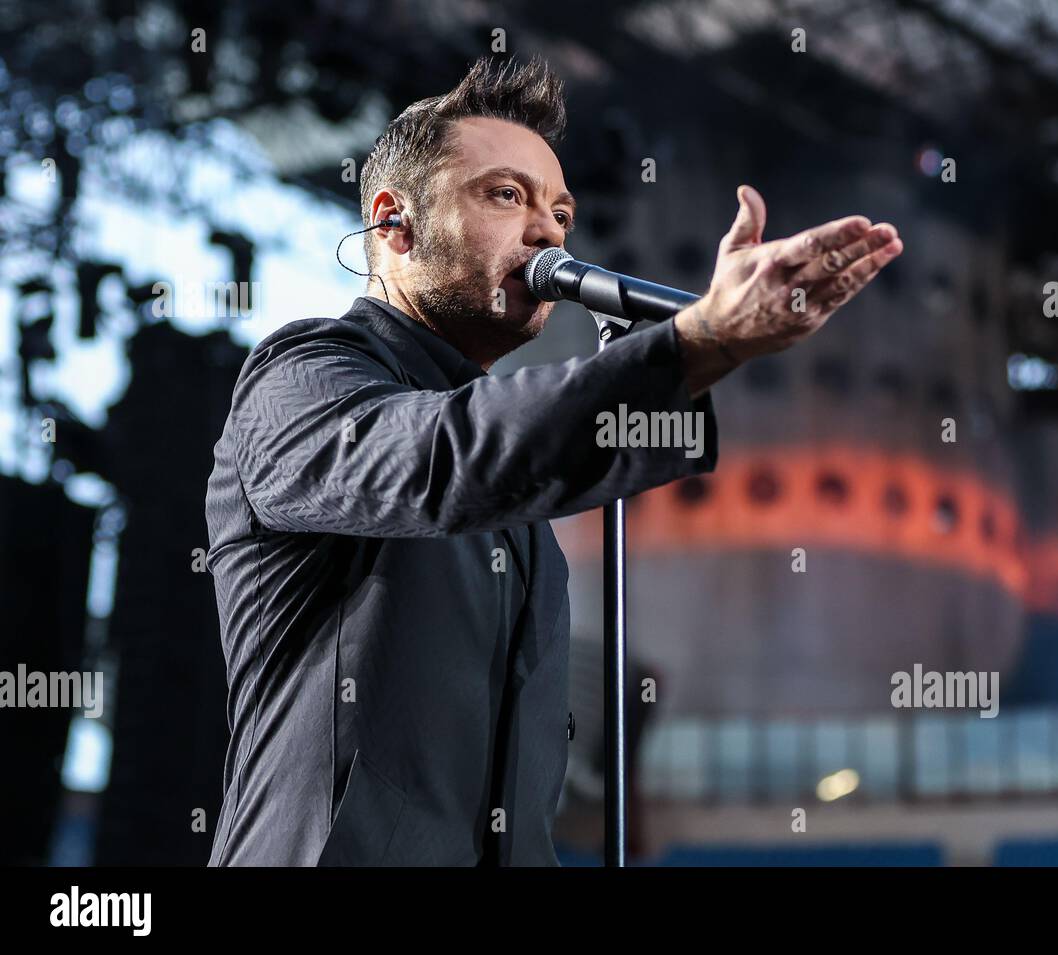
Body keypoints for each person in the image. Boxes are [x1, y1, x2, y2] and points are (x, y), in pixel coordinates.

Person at [204, 55, 903, 866]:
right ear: (394, 222)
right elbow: (445, 458)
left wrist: (700, 357)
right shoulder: (303, 378)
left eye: (562, 212)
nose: (547, 230)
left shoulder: (521, 512)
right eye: (507, 195)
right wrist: (697, 344)